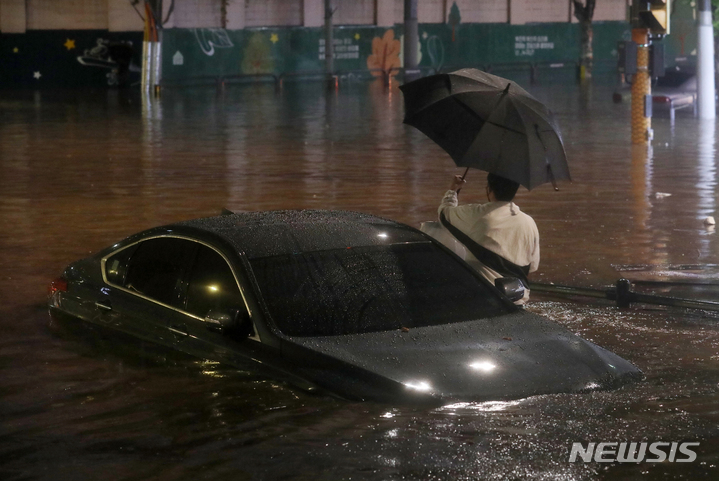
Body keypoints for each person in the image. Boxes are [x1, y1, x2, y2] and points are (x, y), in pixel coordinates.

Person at [438, 173, 539, 304]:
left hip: (484, 297)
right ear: (515, 190)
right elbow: (532, 267)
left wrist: (453, 190)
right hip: (518, 298)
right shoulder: (529, 222)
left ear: (489, 189)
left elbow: (444, 214)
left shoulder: (478, 215)